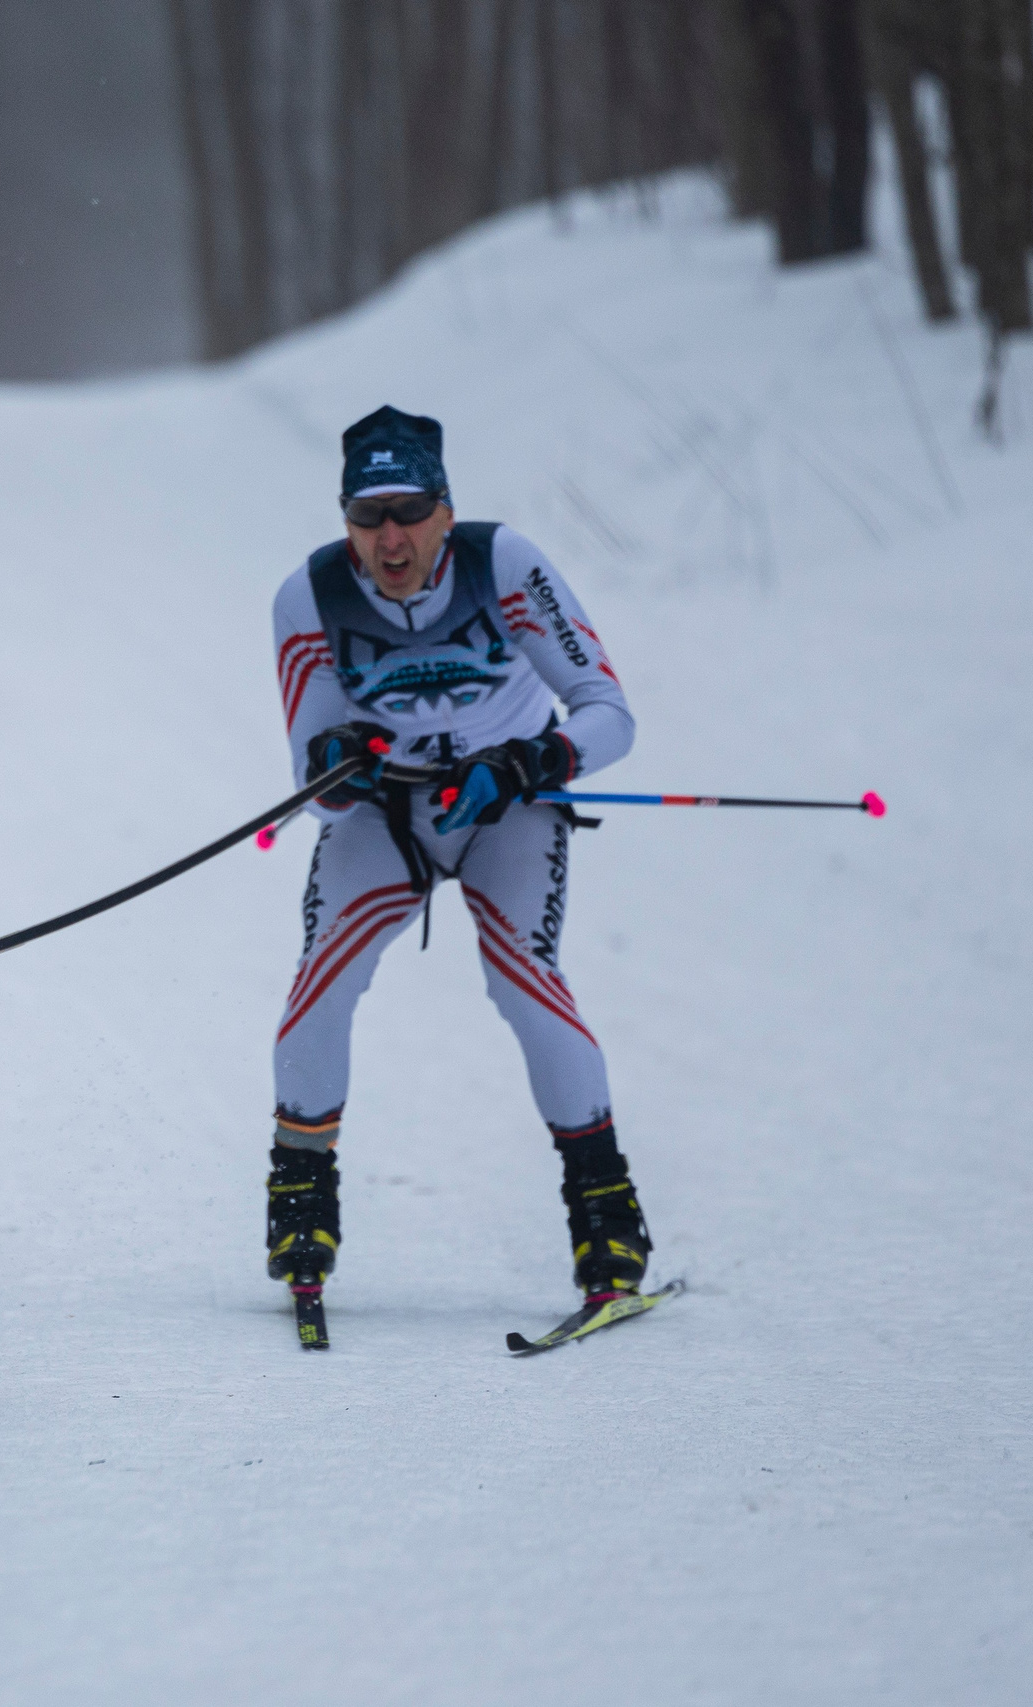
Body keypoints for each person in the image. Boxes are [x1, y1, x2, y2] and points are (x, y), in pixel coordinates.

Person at [266, 405, 650, 1318]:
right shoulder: (309, 595)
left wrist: (530, 760)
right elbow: (314, 785)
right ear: (346, 521)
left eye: (409, 511)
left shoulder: (502, 563)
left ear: (445, 509)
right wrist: (338, 763)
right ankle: (300, 1207)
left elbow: (609, 713)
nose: (391, 537)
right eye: (368, 516)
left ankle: (606, 1215)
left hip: (506, 805)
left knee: (524, 980)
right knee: (321, 982)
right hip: (387, 813)